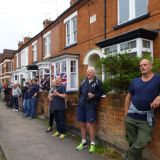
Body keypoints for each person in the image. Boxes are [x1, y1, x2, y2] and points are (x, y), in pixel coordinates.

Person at [124, 59, 160, 160]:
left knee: (141, 142)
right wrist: (126, 113)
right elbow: (128, 97)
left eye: (145, 65)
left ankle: (127, 157)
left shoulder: (158, 79)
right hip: (131, 118)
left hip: (146, 120)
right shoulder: (135, 81)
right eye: (140, 65)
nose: (142, 67)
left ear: (151, 66)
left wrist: (159, 97)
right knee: (132, 143)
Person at [76, 66, 103, 153]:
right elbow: (80, 92)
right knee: (82, 124)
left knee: (90, 125)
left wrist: (94, 95)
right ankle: (84, 142)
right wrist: (80, 101)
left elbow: (101, 93)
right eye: (87, 72)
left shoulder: (98, 82)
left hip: (91, 106)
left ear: (94, 73)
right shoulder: (84, 81)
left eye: (90, 72)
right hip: (81, 105)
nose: (88, 73)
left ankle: (92, 143)